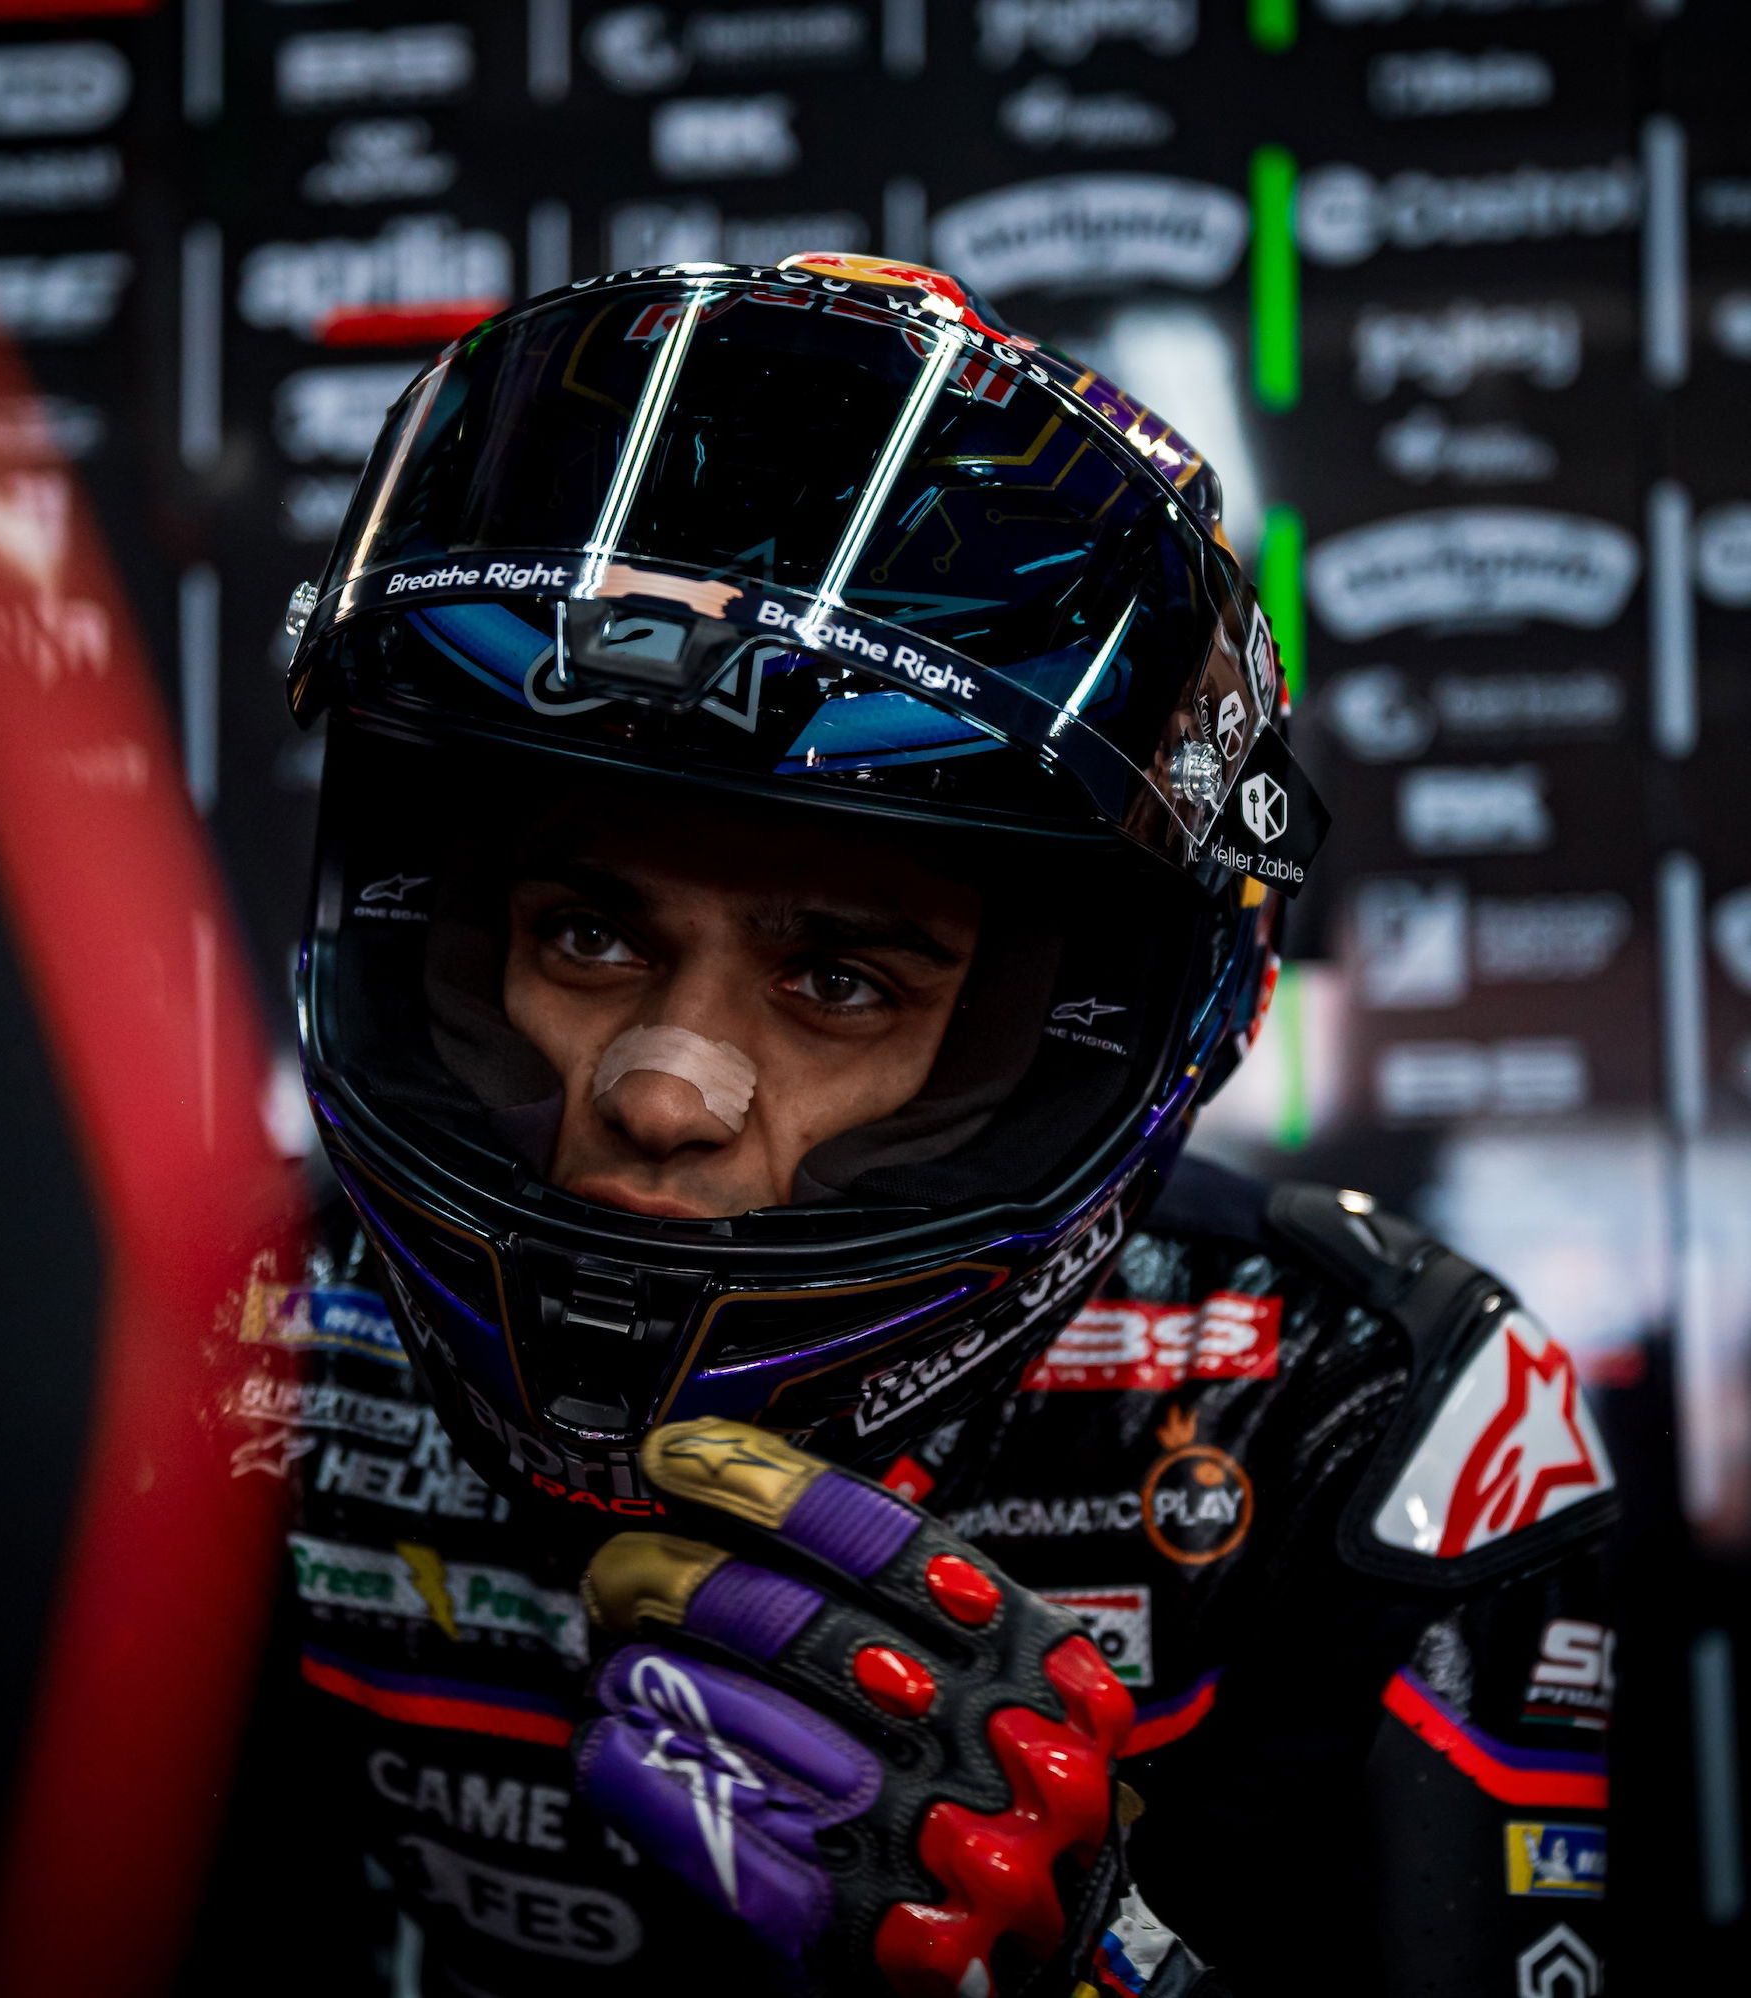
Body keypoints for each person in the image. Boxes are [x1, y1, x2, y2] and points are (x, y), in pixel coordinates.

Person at [221, 256, 1616, 1998]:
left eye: (839, 979)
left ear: (1071, 1044)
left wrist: (1083, 1964)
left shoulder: (1354, 1408)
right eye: (583, 936)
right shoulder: (242, 1344)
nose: (659, 1087)